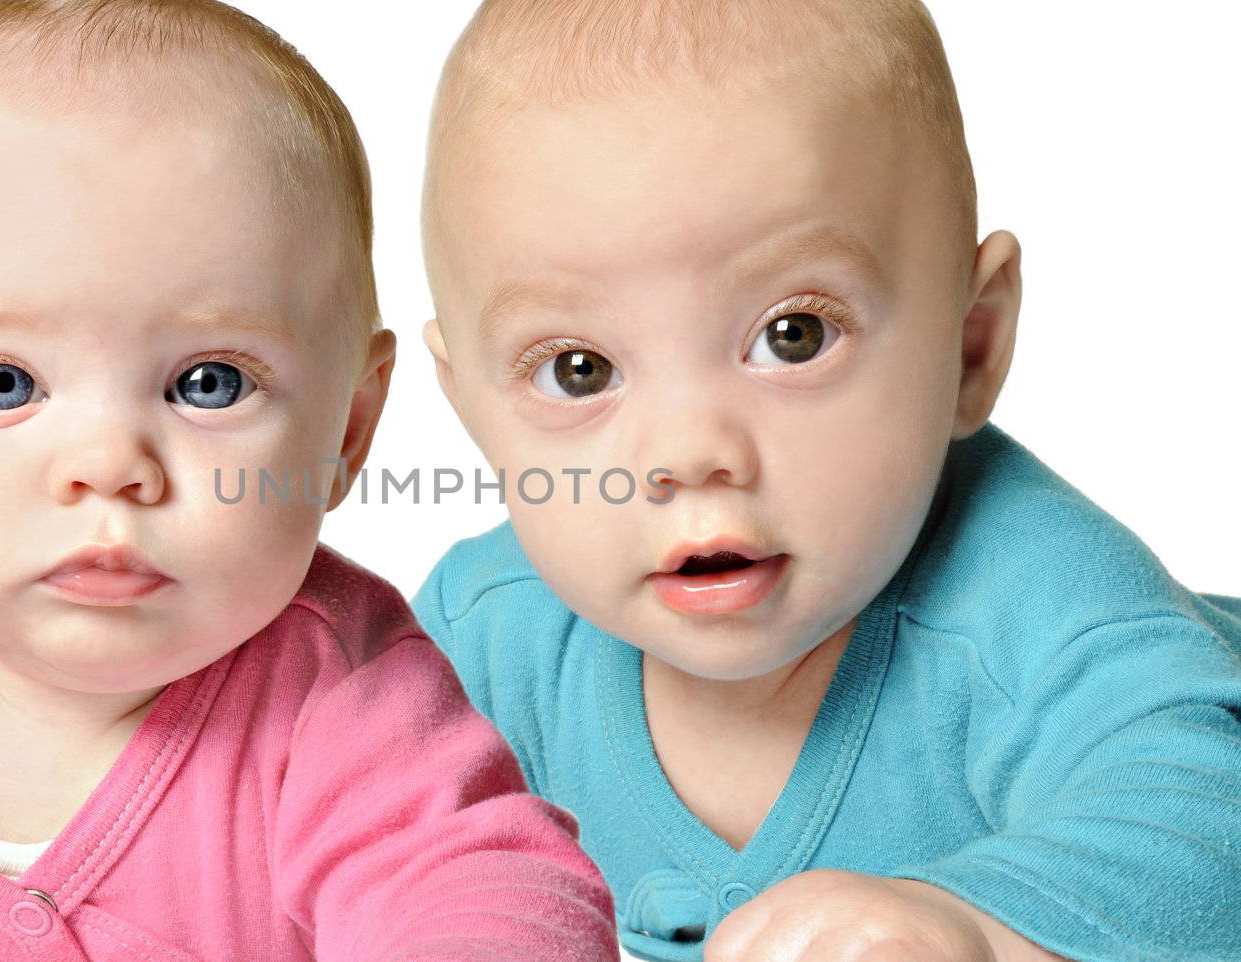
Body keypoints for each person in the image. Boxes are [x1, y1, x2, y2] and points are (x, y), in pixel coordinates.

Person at [0, 2, 619, 958]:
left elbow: (481, 888)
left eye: (208, 383)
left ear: (349, 428)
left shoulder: (340, 698)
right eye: (4, 383)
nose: (110, 465)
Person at [410, 2, 1241, 960]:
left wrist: (966, 929)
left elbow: (1205, 820)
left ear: (968, 348)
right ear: (470, 406)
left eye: (792, 336)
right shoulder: (484, 646)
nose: (687, 452)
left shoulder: (1043, 613)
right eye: (579, 370)